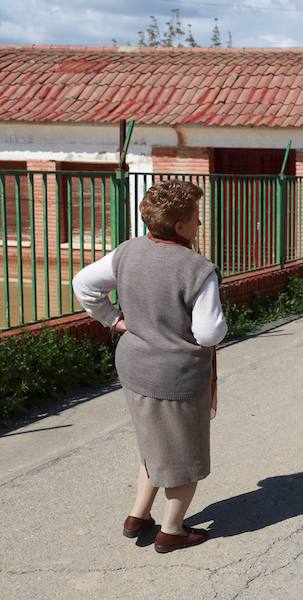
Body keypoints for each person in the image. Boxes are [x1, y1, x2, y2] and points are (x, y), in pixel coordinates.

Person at [72, 180, 227, 553]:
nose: (200, 225)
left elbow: (83, 284)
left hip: (134, 368)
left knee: (153, 442)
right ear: (180, 227)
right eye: (196, 218)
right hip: (175, 378)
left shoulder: (127, 252)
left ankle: (137, 516)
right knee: (185, 458)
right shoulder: (197, 269)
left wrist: (114, 320)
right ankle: (172, 530)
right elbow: (208, 333)